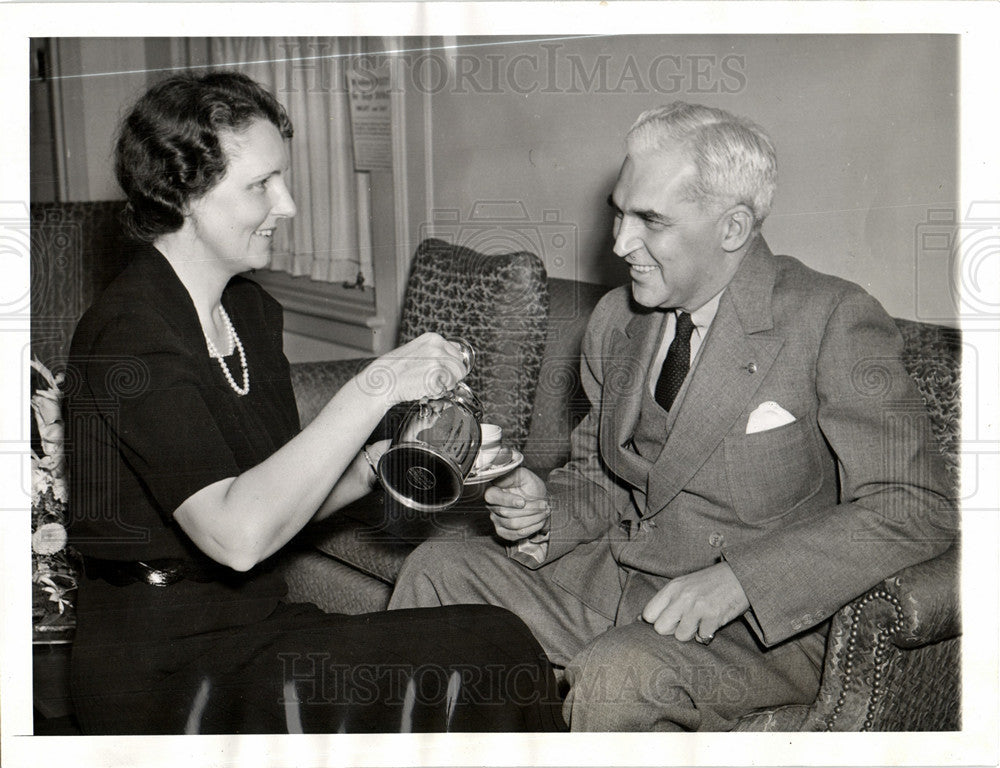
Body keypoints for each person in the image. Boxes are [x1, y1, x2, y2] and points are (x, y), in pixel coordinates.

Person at [389, 102, 957, 731]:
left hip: (756, 631)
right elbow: (601, 477)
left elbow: (914, 507)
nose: (619, 243)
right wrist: (545, 509)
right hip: (620, 584)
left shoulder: (831, 320)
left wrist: (741, 581)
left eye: (650, 221)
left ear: (733, 227)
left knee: (620, 672)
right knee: (437, 571)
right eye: (619, 213)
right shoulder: (616, 320)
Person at [64, 71, 564, 735]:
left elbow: (278, 505)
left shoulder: (247, 312)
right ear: (183, 194)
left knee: (491, 645)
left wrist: (389, 459)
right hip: (163, 666)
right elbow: (239, 536)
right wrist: (373, 385)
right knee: (486, 648)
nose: (289, 204)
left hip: (254, 628)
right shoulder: (130, 333)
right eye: (261, 184)